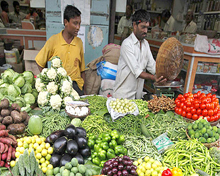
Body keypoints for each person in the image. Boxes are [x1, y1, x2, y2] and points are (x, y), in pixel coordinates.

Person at [113, 9, 166, 99]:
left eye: (147, 28)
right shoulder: (127, 44)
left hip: (137, 95)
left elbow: (152, 65)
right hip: (123, 96)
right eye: (143, 27)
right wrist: (153, 78)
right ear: (134, 25)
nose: (145, 31)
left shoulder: (146, 44)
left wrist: (162, 75)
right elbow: (137, 71)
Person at [35, 5, 86, 95]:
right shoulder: (53, 40)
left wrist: (83, 90)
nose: (78, 27)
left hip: (76, 87)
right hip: (59, 88)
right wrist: (49, 80)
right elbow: (39, 62)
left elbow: (82, 69)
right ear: (66, 22)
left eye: (79, 23)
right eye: (75, 23)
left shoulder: (79, 42)